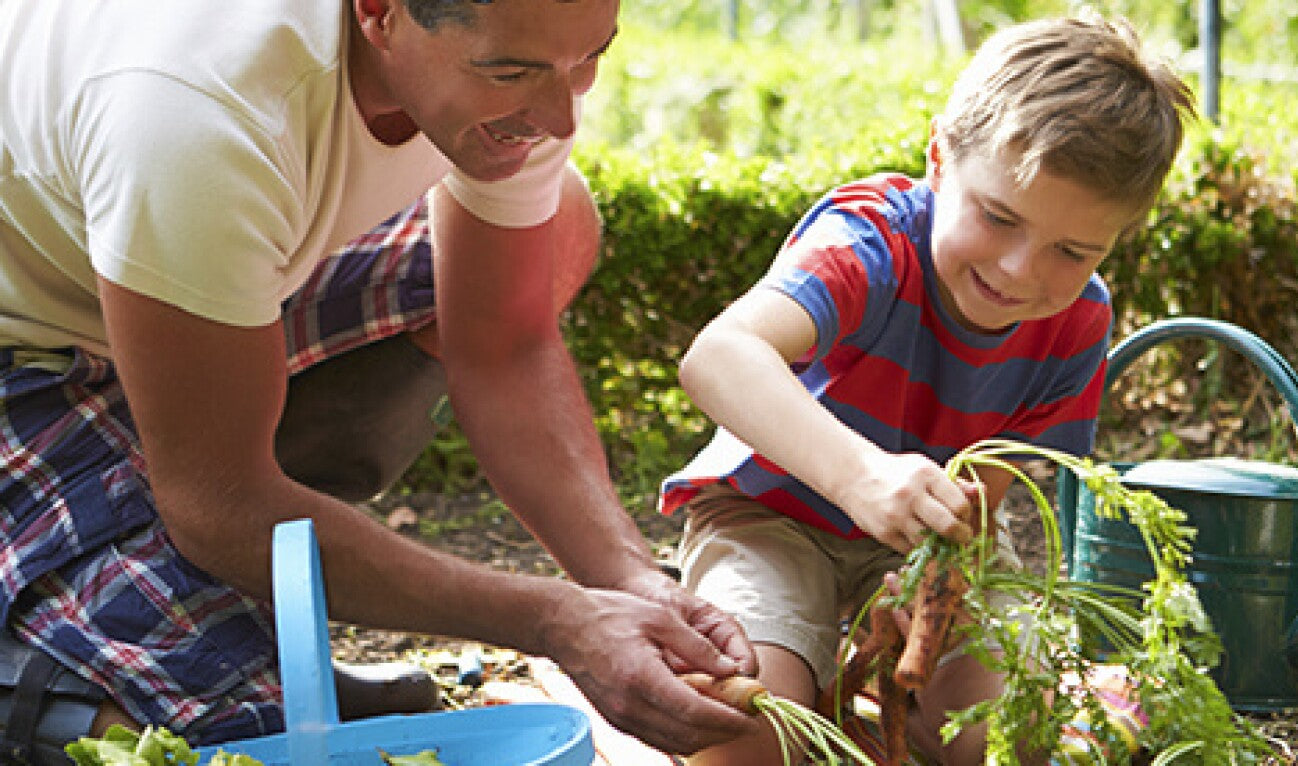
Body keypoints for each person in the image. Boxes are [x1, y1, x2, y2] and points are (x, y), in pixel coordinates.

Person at [0, 0, 759, 761]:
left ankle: (217, 554)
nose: (560, 117)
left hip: (176, 276)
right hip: (27, 349)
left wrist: (629, 580)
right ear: (378, 13)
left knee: (556, 222)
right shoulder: (200, 108)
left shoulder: (520, 62)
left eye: (590, 56)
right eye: (510, 71)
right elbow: (217, 499)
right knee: (210, 733)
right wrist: (554, 620)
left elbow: (501, 345)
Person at [659, 12, 1195, 764]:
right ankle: (811, 687)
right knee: (742, 738)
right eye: (998, 216)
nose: (1019, 270)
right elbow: (717, 356)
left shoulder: (1079, 320)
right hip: (774, 511)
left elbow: (992, 485)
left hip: (933, 542)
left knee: (1005, 740)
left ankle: (863, 704)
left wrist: (932, 580)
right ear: (940, 158)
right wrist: (859, 476)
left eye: (1072, 251)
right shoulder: (869, 243)